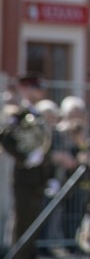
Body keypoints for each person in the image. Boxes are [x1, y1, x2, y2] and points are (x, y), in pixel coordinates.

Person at [0, 73, 53, 259]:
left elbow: (46, 143)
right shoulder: (18, 114)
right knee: (22, 222)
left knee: (34, 223)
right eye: (35, 88)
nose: (40, 92)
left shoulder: (38, 114)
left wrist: (49, 175)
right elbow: (6, 139)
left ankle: (29, 255)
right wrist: (25, 158)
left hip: (39, 177)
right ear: (25, 89)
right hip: (23, 177)